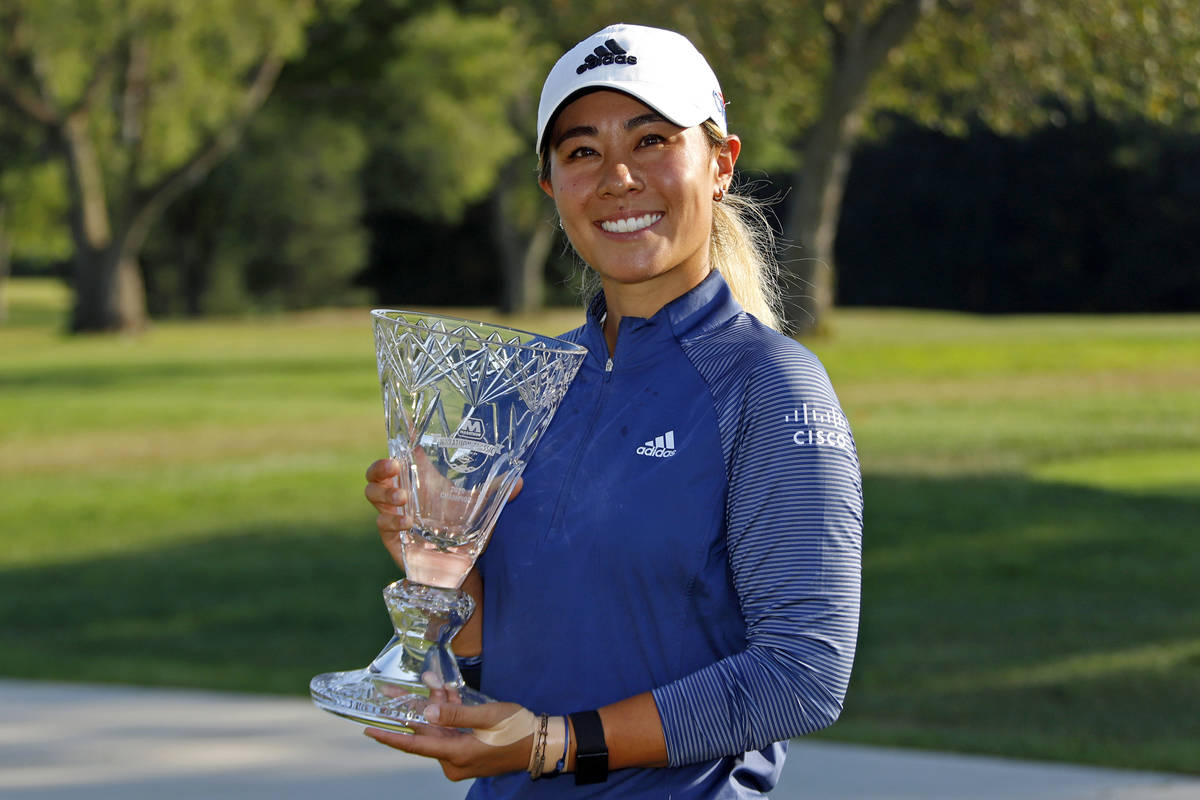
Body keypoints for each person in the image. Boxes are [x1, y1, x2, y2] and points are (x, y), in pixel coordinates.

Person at [362, 23, 863, 799]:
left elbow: (803, 673)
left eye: (653, 140)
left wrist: (556, 745)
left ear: (720, 164)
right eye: (582, 151)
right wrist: (435, 559)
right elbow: (495, 655)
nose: (618, 178)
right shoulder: (520, 386)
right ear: (551, 185)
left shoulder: (771, 387)